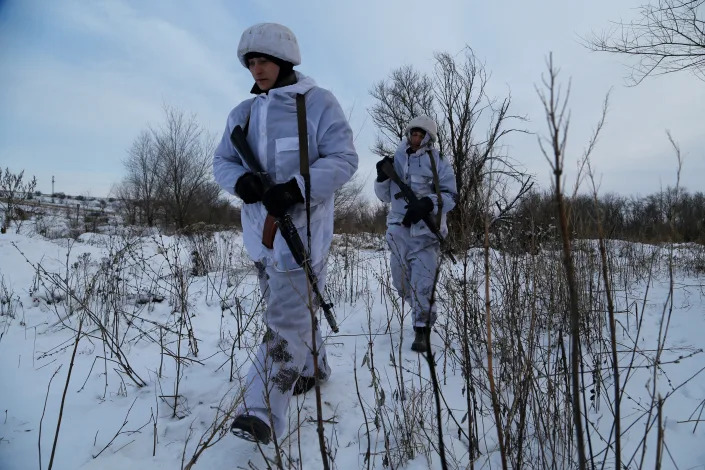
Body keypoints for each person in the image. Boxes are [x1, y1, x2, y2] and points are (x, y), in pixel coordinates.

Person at [213, 22, 358, 444]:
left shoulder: (317, 104)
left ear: (284, 59)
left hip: (304, 237)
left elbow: (345, 158)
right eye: (251, 62)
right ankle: (315, 368)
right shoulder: (242, 113)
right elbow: (222, 161)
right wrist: (242, 183)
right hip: (261, 238)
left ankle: (261, 411)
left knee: (283, 323)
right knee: (291, 316)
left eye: (263, 60)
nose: (256, 69)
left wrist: (296, 188)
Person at [374, 116, 457, 352]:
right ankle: (423, 309)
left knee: (423, 284)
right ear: (408, 134)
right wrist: (381, 178)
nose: (416, 139)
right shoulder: (397, 159)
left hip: (426, 235)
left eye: (421, 135)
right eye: (414, 134)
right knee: (401, 284)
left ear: (428, 138)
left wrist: (427, 204)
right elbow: (384, 196)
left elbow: (451, 196)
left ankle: (422, 329)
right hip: (399, 232)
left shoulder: (438, 161)